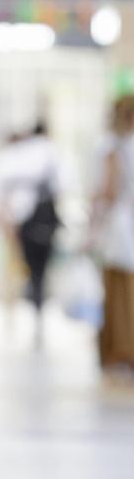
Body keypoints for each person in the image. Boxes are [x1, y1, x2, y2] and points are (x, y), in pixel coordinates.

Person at [0, 122, 62, 340]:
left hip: (21, 222)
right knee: (23, 270)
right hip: (27, 222)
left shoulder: (13, 161)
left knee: (18, 269)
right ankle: (16, 312)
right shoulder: (40, 157)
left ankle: (15, 313)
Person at [90, 95, 134, 380]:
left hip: (119, 227)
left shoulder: (114, 146)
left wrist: (94, 221)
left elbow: (108, 189)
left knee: (118, 293)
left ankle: (120, 350)